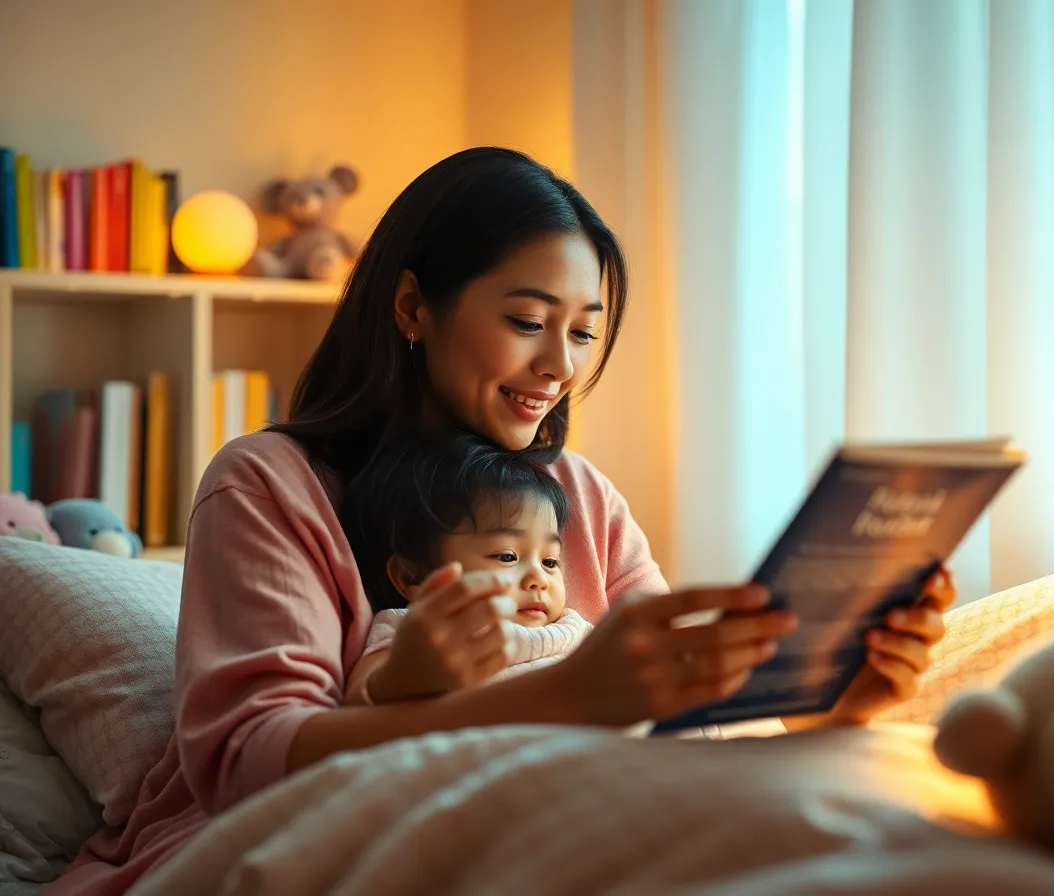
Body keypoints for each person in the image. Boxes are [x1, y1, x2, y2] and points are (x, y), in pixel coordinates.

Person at [48, 147, 953, 895]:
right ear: (412, 307)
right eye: (527, 319)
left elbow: (693, 721)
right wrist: (565, 697)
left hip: (567, 828)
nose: (559, 364)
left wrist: (839, 703)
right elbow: (247, 761)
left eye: (585, 332)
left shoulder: (582, 495)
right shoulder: (269, 484)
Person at [341, 429, 593, 707]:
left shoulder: (574, 630)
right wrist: (402, 675)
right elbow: (361, 698)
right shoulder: (414, 632)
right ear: (414, 576)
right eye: (507, 556)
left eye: (550, 562)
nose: (539, 579)